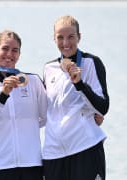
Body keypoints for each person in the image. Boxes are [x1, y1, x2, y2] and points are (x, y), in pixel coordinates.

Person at [0, 30, 47, 180]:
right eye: (5, 48)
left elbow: (45, 117)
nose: (9, 54)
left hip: (31, 164)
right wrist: (3, 95)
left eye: (15, 50)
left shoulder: (34, 81)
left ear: (19, 54)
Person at [42, 15, 109, 180]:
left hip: (85, 148)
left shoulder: (91, 63)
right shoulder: (48, 68)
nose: (65, 43)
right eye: (60, 37)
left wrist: (80, 84)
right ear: (54, 39)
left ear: (79, 37)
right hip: (54, 153)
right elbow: (44, 109)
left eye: (71, 36)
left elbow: (103, 107)